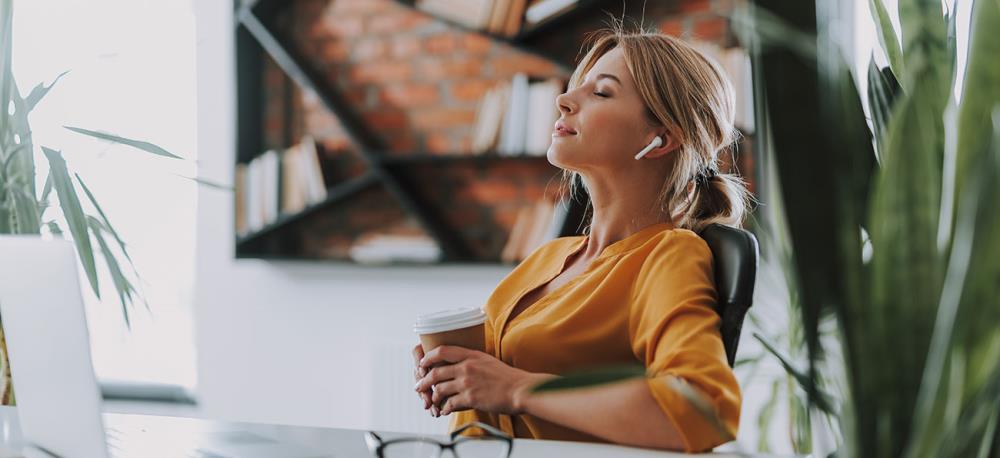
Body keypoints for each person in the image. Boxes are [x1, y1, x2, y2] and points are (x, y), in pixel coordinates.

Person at [411, 26, 752, 453]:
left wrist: (517, 389)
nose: (563, 99)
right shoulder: (549, 257)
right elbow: (494, 387)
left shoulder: (667, 256)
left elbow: (703, 409)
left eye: (602, 93)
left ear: (660, 138)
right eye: (577, 87)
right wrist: (455, 372)